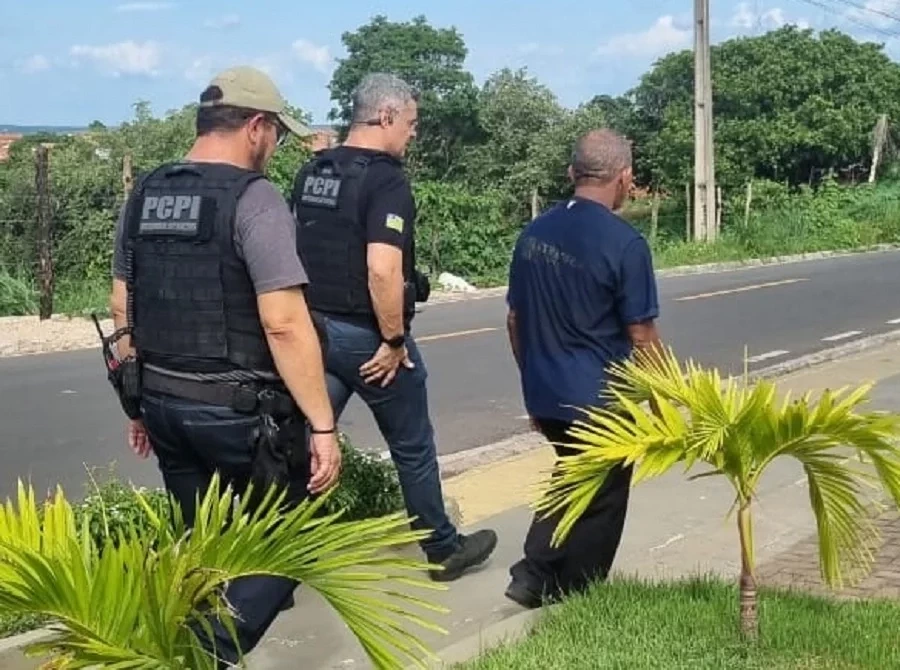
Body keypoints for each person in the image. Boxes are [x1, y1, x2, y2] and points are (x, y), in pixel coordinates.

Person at [106, 66, 341, 665]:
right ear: (256, 126)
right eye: (277, 134)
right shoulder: (254, 198)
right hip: (240, 414)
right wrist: (322, 424)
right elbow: (283, 322)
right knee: (292, 539)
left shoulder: (146, 193)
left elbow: (122, 306)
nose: (275, 147)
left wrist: (136, 405)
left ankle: (178, 643)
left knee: (202, 547)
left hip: (162, 402)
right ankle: (206, 653)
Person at [290, 72, 497, 581]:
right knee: (412, 445)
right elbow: (382, 270)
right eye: (411, 122)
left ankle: (278, 563)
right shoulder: (385, 180)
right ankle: (442, 548)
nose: (413, 133)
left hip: (315, 332)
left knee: (308, 442)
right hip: (367, 338)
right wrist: (393, 340)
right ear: (385, 116)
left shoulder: (314, 171)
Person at [503, 129, 663, 608]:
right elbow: (642, 335)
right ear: (625, 178)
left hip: (546, 392)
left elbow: (514, 320)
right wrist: (665, 404)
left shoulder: (533, 234)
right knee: (605, 492)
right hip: (600, 398)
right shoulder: (625, 243)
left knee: (576, 472)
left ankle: (538, 575)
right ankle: (570, 588)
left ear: (572, 172)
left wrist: (534, 387)